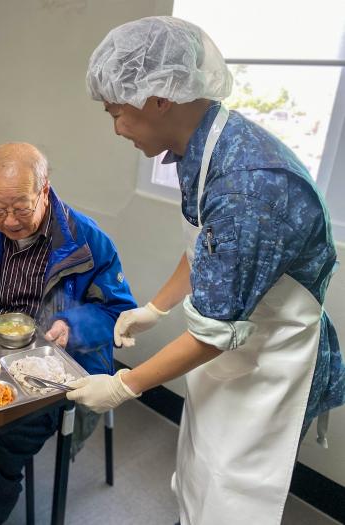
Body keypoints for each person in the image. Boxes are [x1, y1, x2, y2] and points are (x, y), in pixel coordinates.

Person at [67, 16, 345, 525]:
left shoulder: (249, 184)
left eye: (116, 112)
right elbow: (204, 245)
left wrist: (123, 386)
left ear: (158, 98)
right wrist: (155, 307)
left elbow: (214, 334)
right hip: (236, 344)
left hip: (269, 360)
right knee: (199, 476)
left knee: (232, 497)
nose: (116, 129)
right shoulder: (203, 147)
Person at [0, 142, 137, 525]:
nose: (9, 221)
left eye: (21, 208)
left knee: (3, 438)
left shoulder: (88, 242)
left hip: (55, 365)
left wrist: (72, 325)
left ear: (45, 190)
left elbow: (117, 311)